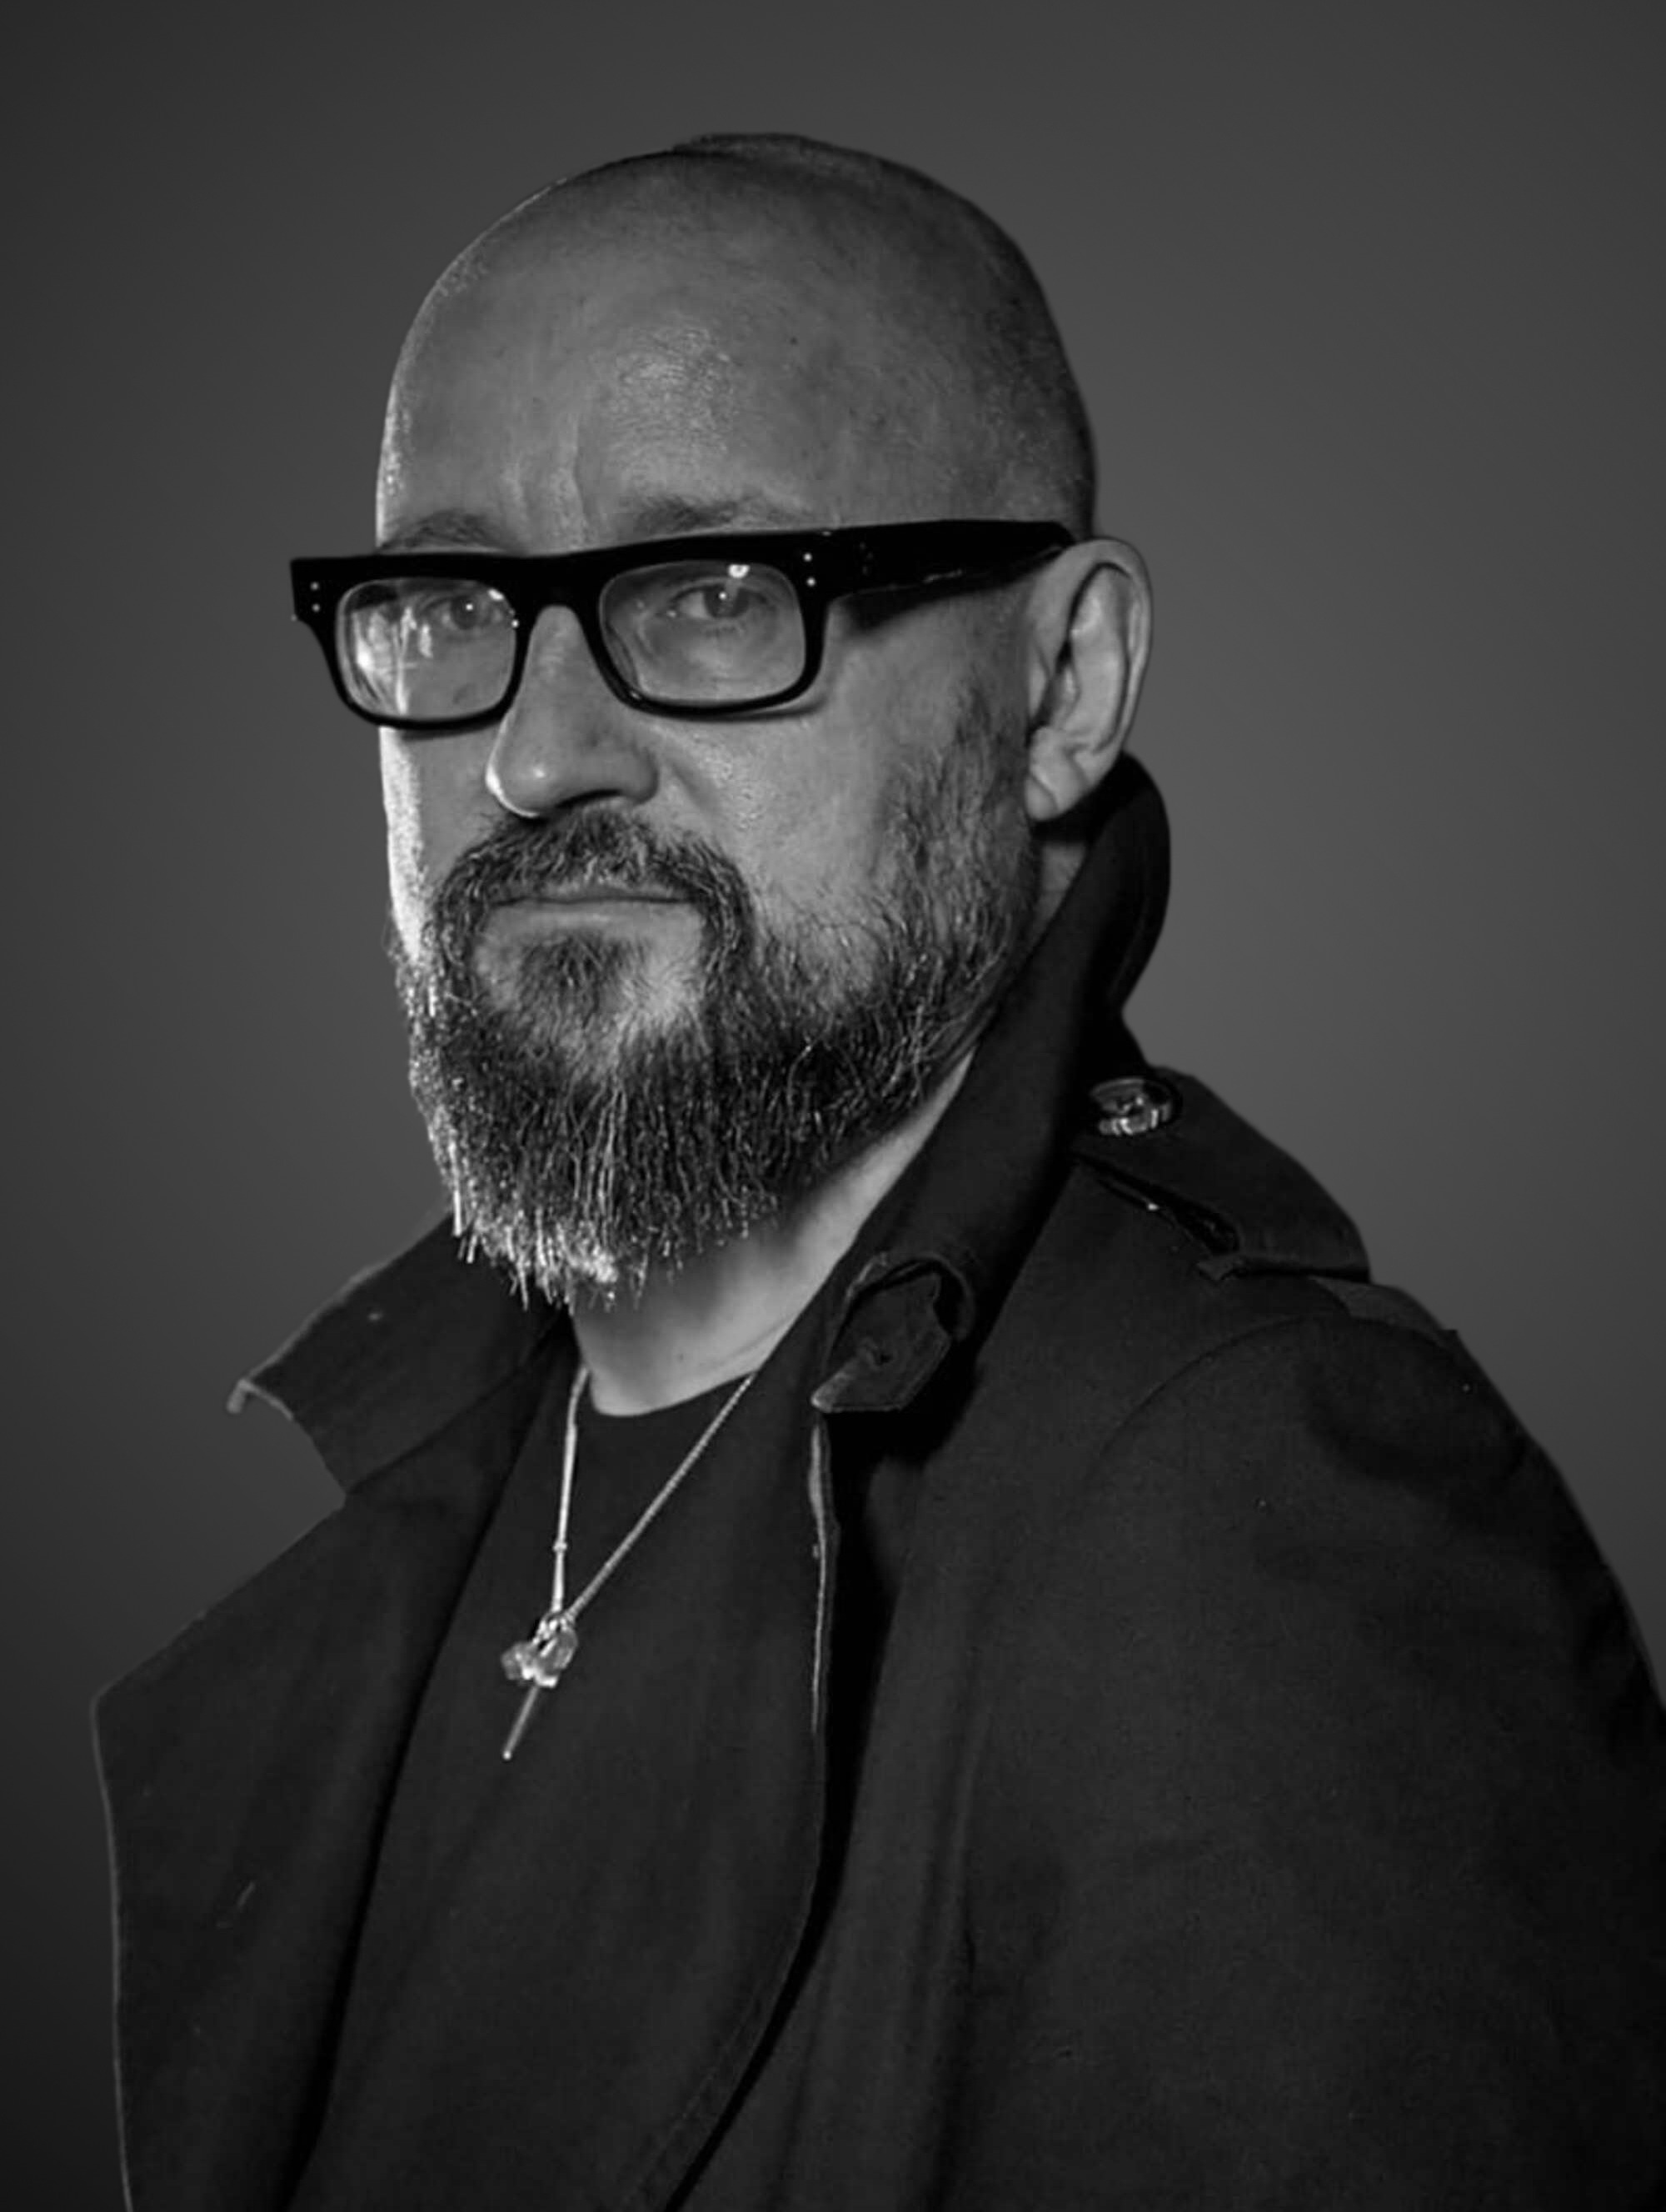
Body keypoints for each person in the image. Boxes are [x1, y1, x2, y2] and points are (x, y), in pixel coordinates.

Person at [97, 134, 1665, 2212]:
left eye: (716, 597)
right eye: (448, 609)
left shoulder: (1249, 1513)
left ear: (1060, 686)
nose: (535, 758)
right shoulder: (406, 1471)